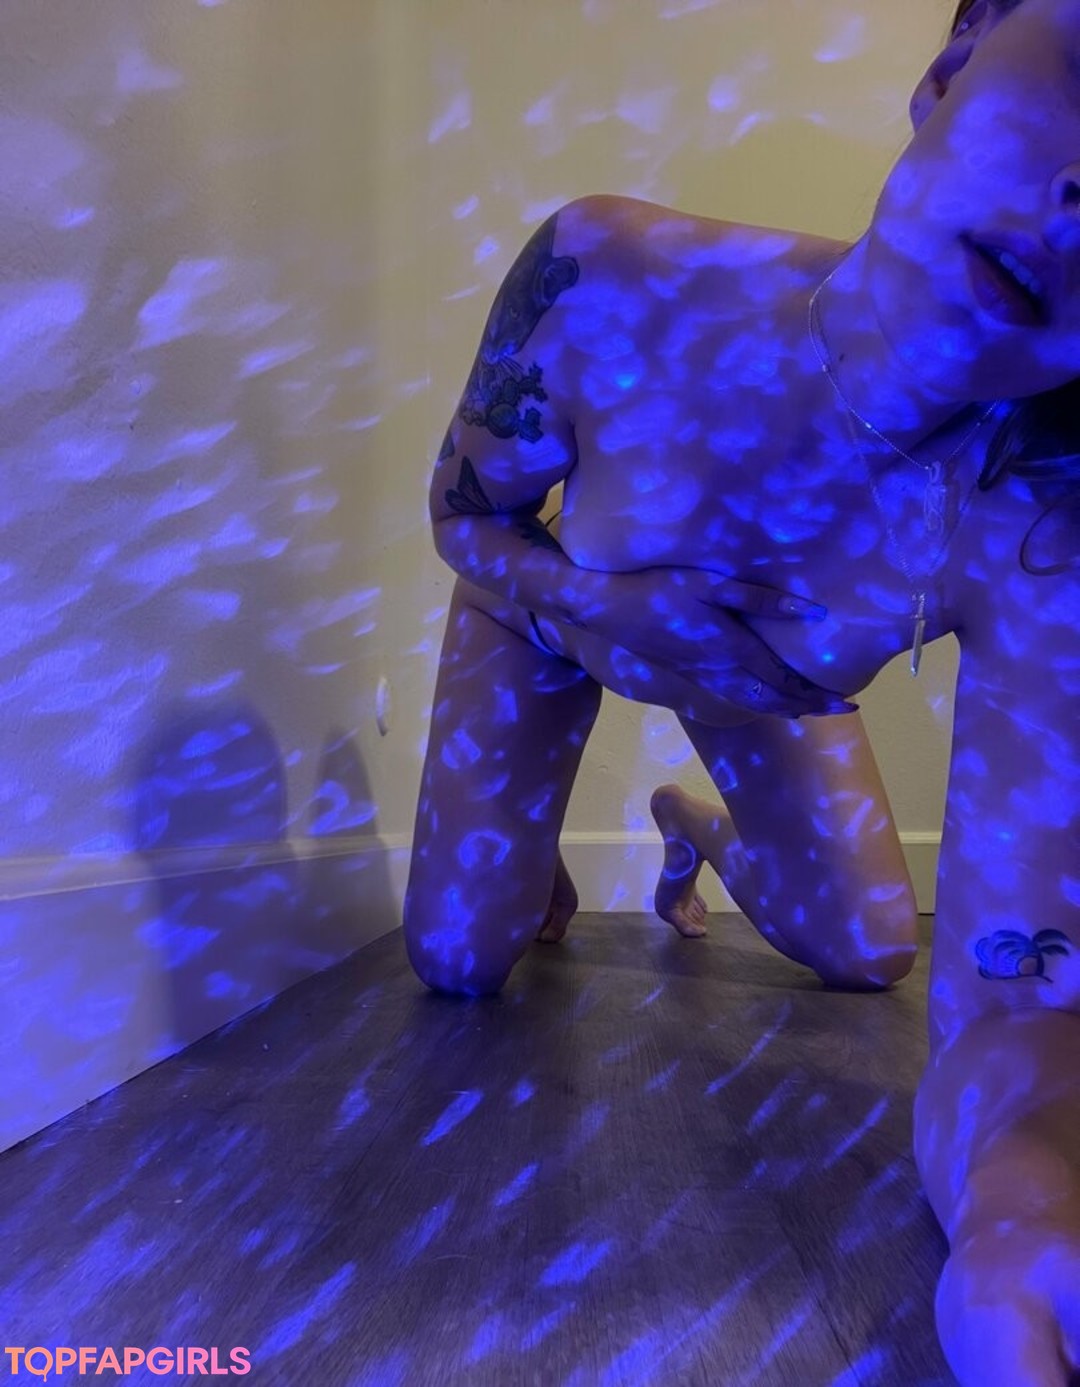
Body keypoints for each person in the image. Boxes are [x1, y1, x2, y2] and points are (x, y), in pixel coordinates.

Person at [404, 0, 1080, 1379]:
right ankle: (520, 841)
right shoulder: (606, 270)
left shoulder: (1040, 514)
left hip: (762, 692)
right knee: (461, 958)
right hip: (543, 620)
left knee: (872, 953)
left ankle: (691, 823)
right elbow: (467, 517)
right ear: (955, 62)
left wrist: (1026, 1198)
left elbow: (1020, 996)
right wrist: (599, 605)